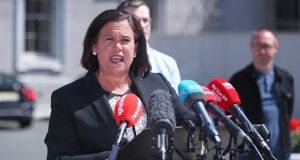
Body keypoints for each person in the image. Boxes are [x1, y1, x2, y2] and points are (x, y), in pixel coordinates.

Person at [44, 9, 193, 160]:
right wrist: (119, 156)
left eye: (125, 40)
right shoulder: (67, 98)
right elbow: (58, 157)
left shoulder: (157, 83)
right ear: (94, 46)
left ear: (135, 49)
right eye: (109, 39)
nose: (118, 47)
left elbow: (190, 126)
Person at [229, 28, 294, 160]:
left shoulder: (286, 78)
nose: (261, 51)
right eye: (257, 46)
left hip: (281, 153)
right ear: (251, 47)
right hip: (249, 153)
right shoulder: (239, 80)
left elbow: (288, 112)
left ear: (276, 47)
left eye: (266, 46)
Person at [117, 0, 181, 93]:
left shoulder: (168, 64)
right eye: (134, 20)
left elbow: (175, 104)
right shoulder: (112, 62)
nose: (142, 25)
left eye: (145, 20)